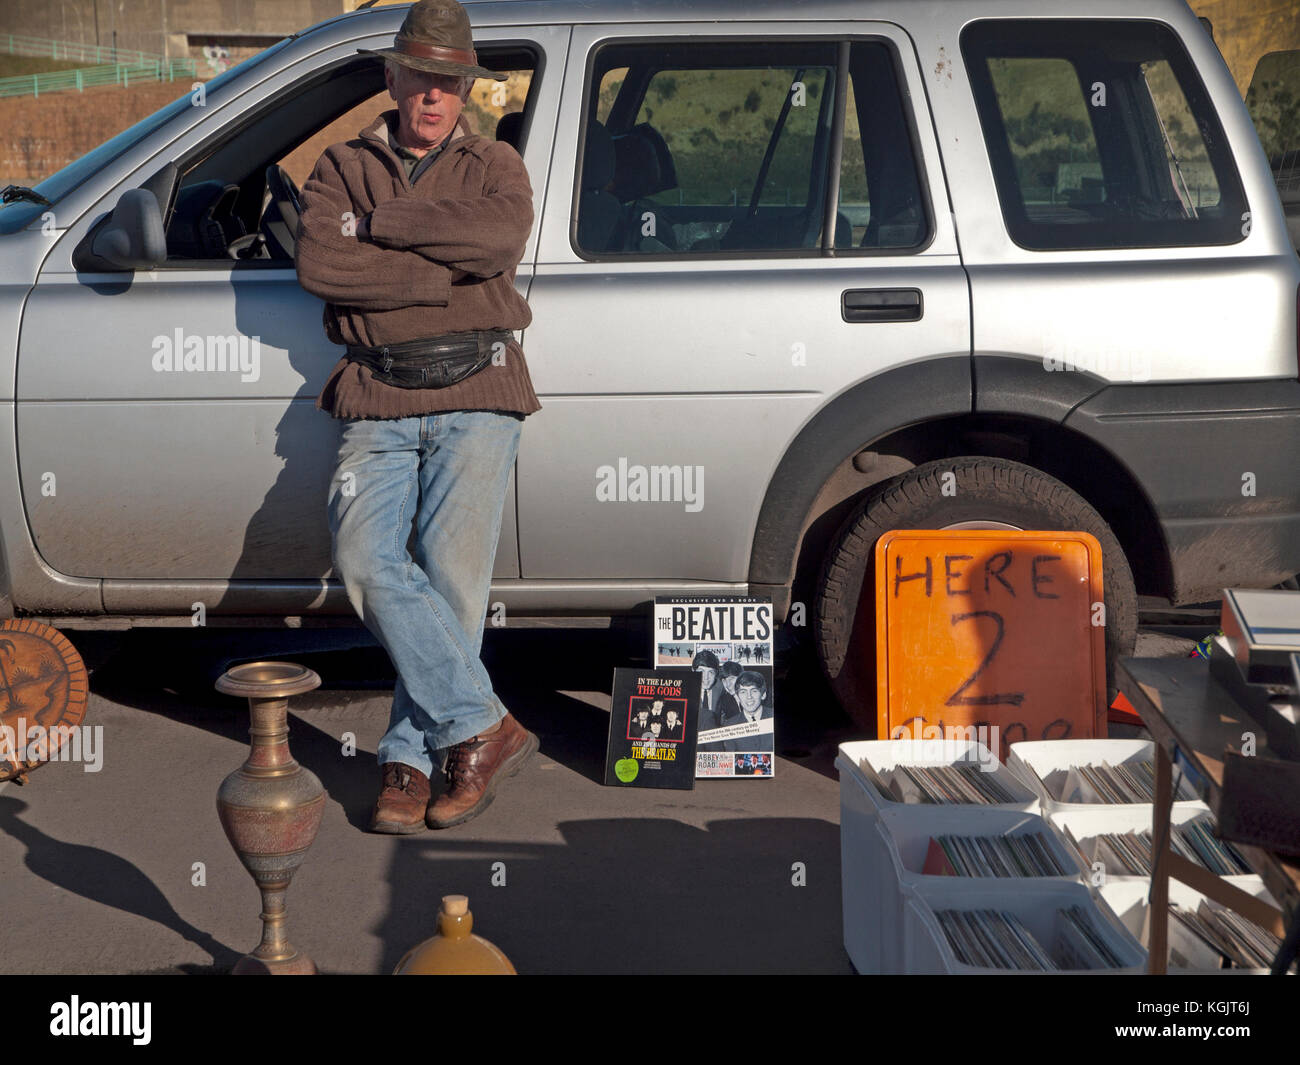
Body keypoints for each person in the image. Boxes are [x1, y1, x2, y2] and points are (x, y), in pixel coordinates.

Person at [295, 0, 540, 833]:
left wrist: (386, 226)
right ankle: (482, 725)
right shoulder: (341, 165)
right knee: (363, 559)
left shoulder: (496, 163)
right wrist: (441, 277)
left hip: (480, 391)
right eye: (419, 78)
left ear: (465, 90)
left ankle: (407, 758)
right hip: (378, 391)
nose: (432, 95)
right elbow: (323, 263)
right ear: (392, 77)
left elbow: (497, 243)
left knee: (452, 587)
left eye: (448, 82)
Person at [722, 671, 774, 753]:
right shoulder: (730, 725)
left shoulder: (773, 717)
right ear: (738, 697)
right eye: (743, 692)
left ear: (763, 695)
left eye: (754, 691)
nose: (749, 697)